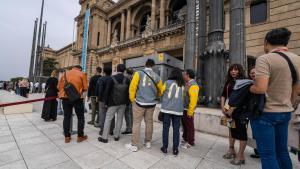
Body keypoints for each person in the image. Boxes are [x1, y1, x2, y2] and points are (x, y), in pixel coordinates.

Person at [250, 28, 300, 169]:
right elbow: (297, 88)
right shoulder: (297, 59)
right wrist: (288, 103)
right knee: (282, 151)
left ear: (266, 42)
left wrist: (249, 87)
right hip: (285, 112)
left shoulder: (264, 59)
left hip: (266, 113)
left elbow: (260, 88)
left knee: (268, 155)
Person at [126, 59, 163, 152]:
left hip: (139, 102)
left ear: (145, 65)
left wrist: (132, 99)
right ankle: (148, 142)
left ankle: (134, 145)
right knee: (149, 122)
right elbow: (161, 90)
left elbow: (132, 87)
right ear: (153, 66)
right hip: (151, 103)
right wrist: (157, 97)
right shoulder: (157, 76)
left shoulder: (138, 73)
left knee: (136, 123)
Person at [98, 64, 130, 143]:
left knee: (108, 119)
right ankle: (116, 136)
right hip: (123, 103)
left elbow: (107, 92)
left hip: (112, 103)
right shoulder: (127, 79)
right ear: (124, 70)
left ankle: (104, 138)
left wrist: (106, 102)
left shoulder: (111, 79)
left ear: (116, 69)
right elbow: (129, 92)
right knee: (120, 119)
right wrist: (128, 102)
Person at [221, 64, 246, 161]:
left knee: (241, 133)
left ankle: (241, 156)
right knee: (231, 129)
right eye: (231, 70)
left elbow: (244, 98)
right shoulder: (229, 81)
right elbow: (224, 94)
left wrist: (233, 108)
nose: (233, 72)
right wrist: (223, 107)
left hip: (240, 111)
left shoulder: (244, 81)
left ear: (240, 71)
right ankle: (231, 150)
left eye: (235, 70)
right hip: (228, 110)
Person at [58, 65, 88, 143]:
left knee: (66, 117)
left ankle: (67, 137)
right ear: (80, 69)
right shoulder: (82, 74)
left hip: (65, 97)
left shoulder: (64, 74)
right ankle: (80, 136)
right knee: (80, 117)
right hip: (77, 98)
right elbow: (85, 88)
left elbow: (59, 87)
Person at [160, 69, 185, 156]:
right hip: (178, 110)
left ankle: (165, 148)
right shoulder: (182, 85)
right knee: (176, 130)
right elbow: (183, 97)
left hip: (167, 109)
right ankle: (175, 149)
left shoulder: (167, 82)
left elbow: (161, 92)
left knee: (165, 128)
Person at [181, 69, 199, 149]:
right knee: (185, 125)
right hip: (184, 109)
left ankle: (191, 142)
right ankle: (185, 139)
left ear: (187, 75)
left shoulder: (193, 85)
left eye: (184, 74)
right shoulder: (187, 84)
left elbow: (193, 100)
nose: (183, 76)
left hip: (188, 110)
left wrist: (190, 112)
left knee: (189, 126)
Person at [96, 67, 115, 136]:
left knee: (102, 115)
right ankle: (111, 130)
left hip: (102, 100)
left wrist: (98, 97)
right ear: (111, 72)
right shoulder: (113, 79)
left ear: (104, 72)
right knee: (111, 116)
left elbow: (100, 90)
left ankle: (102, 130)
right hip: (111, 100)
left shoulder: (101, 79)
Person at [248, 66, 260, 159]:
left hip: (259, 113)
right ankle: (257, 151)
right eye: (252, 73)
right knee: (255, 133)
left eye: (255, 72)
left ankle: (261, 151)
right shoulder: (249, 84)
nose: (253, 74)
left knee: (259, 133)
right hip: (252, 113)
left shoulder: (262, 84)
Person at [122, 67, 134, 135]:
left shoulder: (125, 77)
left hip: (127, 98)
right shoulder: (134, 77)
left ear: (126, 72)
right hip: (133, 98)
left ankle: (129, 129)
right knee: (131, 113)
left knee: (127, 114)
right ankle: (131, 127)